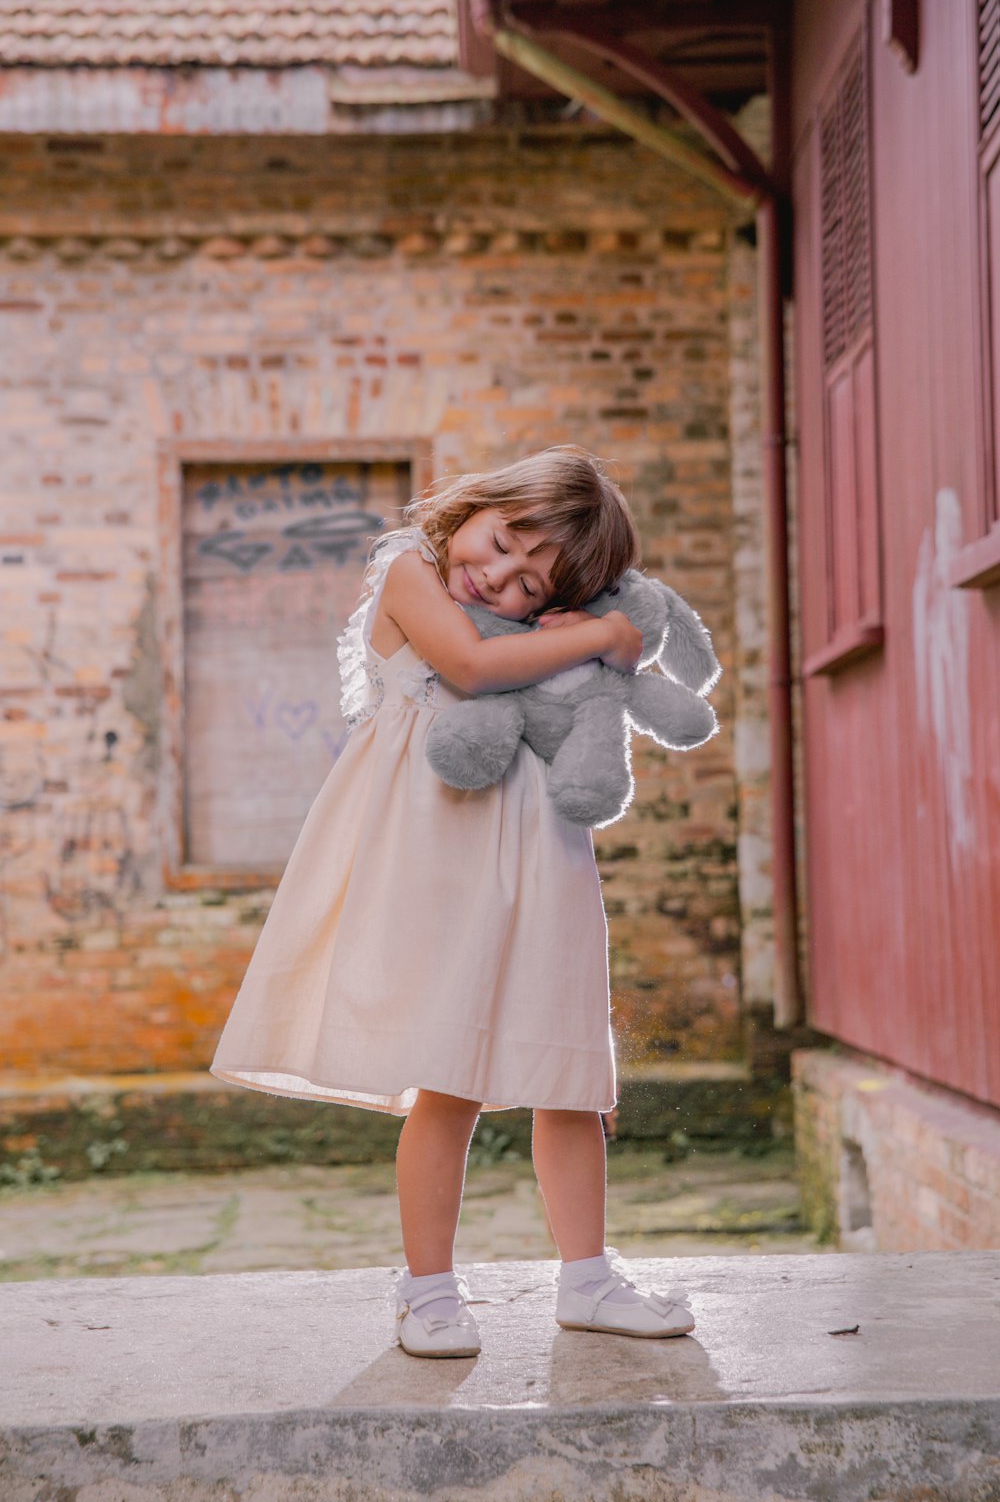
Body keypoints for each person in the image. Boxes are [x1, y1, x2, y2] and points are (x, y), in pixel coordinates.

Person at [211, 446, 695, 1357]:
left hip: (542, 854)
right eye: (502, 540)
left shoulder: (538, 628)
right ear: (478, 504)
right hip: (436, 857)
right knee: (452, 1078)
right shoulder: (409, 572)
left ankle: (587, 1278)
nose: (497, 575)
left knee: (571, 1071)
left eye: (528, 582)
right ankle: (428, 1292)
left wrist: (595, 637)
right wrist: (597, 634)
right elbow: (469, 669)